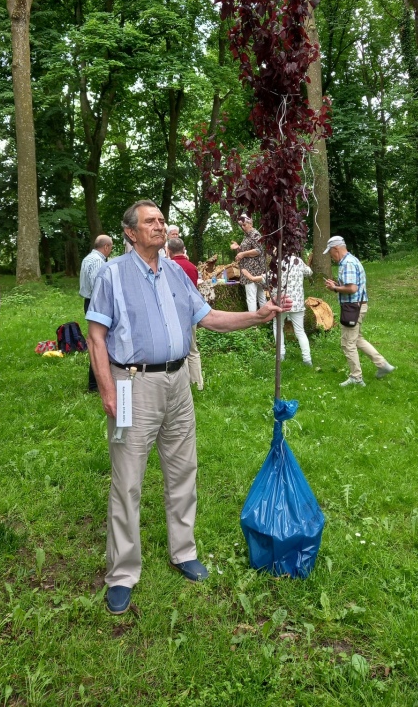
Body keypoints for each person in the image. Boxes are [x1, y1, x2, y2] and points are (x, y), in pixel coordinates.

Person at [86, 199, 292, 616]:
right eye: (150, 221)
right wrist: (108, 390)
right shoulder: (112, 275)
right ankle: (122, 573)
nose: (160, 226)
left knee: (183, 470)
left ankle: (183, 551)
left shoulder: (177, 273)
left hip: (179, 383)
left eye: (162, 220)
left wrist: (258, 316)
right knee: (128, 480)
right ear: (130, 232)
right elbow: (95, 337)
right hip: (133, 385)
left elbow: (208, 318)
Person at [323, 235, 395, 387]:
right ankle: (383, 365)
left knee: (347, 343)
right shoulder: (352, 260)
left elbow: (352, 288)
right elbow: (351, 286)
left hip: (352, 308)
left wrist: (334, 288)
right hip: (357, 307)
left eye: (330, 253)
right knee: (357, 339)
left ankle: (356, 377)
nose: (331, 256)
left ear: (336, 249)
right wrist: (336, 285)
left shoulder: (347, 263)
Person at [167, 235, 204, 391]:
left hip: (173, 313)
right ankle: (197, 384)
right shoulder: (192, 267)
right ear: (183, 249)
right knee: (193, 349)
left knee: (176, 351)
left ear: (168, 251)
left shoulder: (168, 266)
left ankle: (182, 384)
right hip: (190, 312)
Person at [79, 235, 114, 392]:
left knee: (97, 340)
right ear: (106, 247)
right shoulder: (98, 262)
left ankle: (97, 382)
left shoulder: (88, 258)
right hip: (97, 303)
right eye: (111, 247)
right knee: (100, 342)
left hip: (89, 302)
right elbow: (99, 287)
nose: (110, 250)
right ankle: (95, 384)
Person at [273, 254, 313, 366]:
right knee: (300, 331)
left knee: (277, 326)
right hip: (297, 302)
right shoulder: (298, 261)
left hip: (282, 301)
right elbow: (309, 272)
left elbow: (269, 277)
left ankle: (280, 354)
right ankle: (307, 359)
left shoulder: (277, 262)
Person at [231, 213, 267, 311]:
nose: (242, 227)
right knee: (260, 295)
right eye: (241, 225)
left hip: (253, 270)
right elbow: (247, 250)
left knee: (252, 297)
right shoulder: (247, 236)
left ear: (251, 224)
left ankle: (254, 319)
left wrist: (243, 254)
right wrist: (238, 248)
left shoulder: (255, 234)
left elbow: (259, 250)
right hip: (250, 269)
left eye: (244, 225)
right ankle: (264, 317)